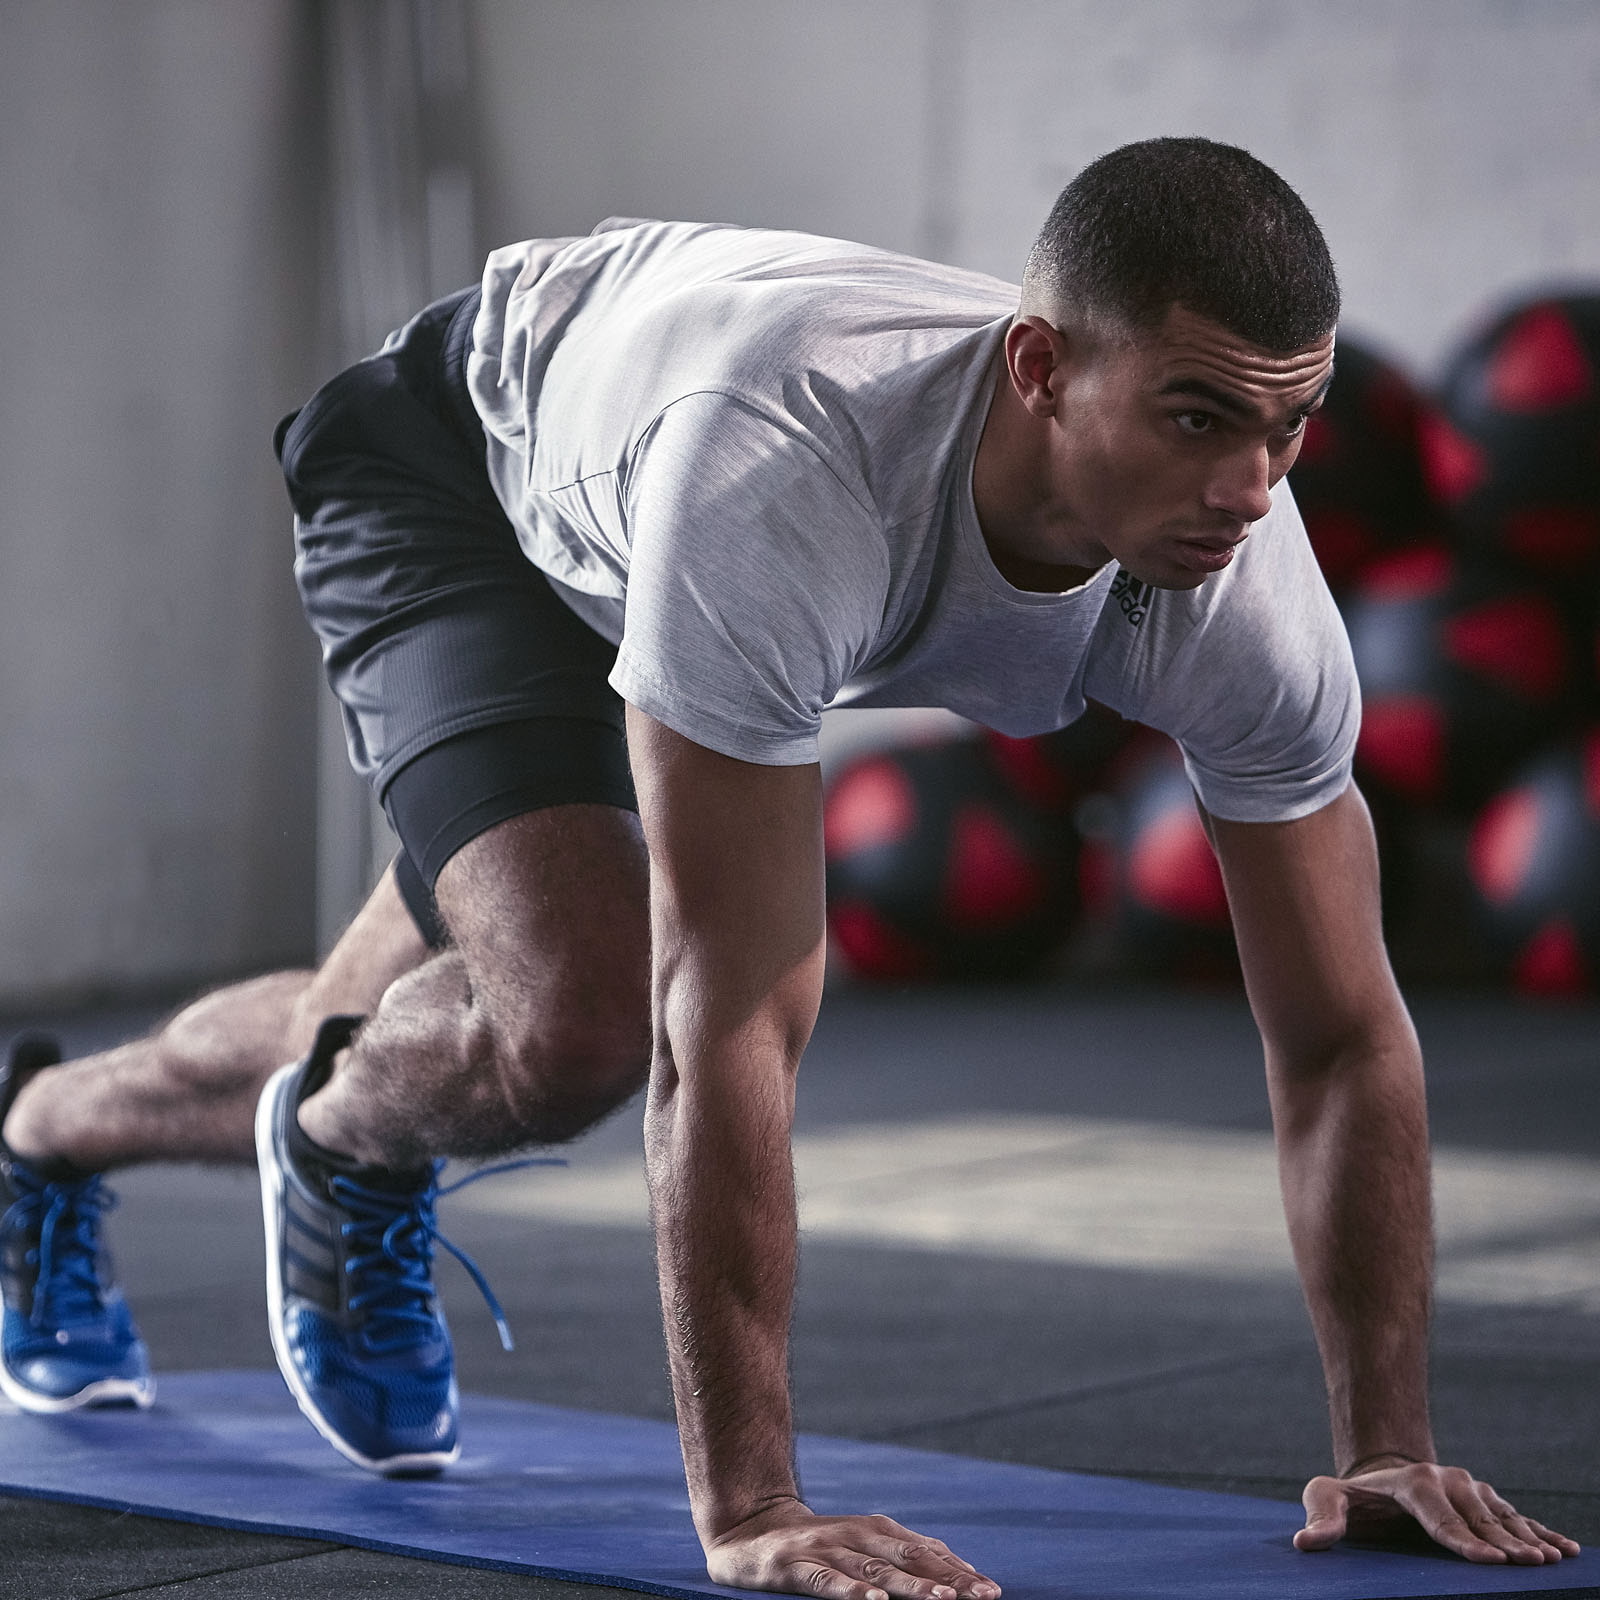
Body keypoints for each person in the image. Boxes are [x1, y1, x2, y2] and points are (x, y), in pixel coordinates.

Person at [0, 137, 1579, 1590]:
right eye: (1194, 417)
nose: (1248, 488)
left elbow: (1344, 1034)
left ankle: (41, 1135)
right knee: (584, 1013)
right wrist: (753, 1507)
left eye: (1285, 425)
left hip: (649, 494)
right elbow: (730, 1021)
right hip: (463, 471)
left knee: (428, 1009)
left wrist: (1385, 1441)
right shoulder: (786, 468)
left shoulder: (1249, 589)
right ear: (1039, 369)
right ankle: (346, 1147)